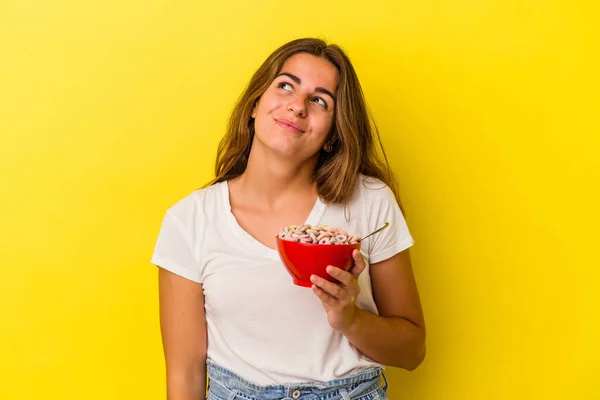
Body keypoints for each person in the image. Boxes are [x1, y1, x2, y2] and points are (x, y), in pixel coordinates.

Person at [152, 37, 426, 400]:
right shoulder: (189, 221)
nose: (297, 106)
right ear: (254, 104)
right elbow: (185, 376)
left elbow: (412, 352)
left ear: (332, 134)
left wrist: (350, 317)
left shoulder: (369, 201)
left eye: (319, 100)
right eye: (285, 86)